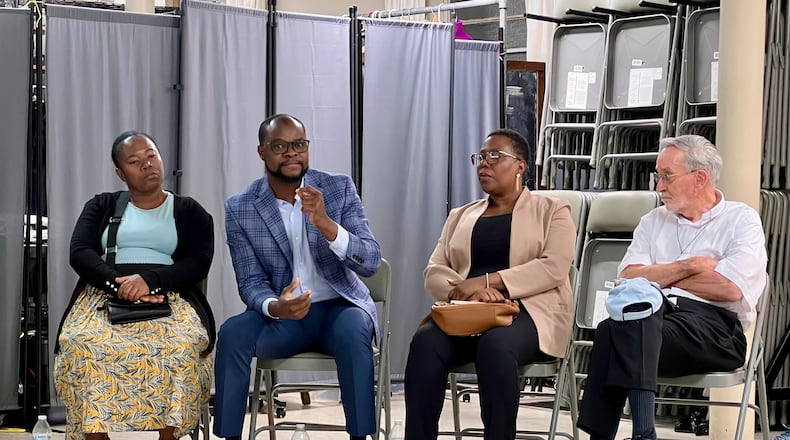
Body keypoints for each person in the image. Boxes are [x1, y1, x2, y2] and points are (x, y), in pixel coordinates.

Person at [577, 134, 768, 440]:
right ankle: (638, 433)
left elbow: (731, 289)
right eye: (658, 176)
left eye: (666, 176)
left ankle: (628, 434)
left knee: (621, 327)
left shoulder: (740, 220)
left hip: (716, 330)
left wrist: (658, 275)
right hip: (658, 322)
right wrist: (690, 266)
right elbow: (628, 278)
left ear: (699, 178)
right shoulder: (653, 221)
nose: (659, 187)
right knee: (616, 325)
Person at [213, 114, 382, 440]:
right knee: (233, 333)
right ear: (262, 152)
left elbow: (371, 261)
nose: (291, 153)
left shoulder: (337, 188)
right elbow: (249, 281)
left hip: (339, 307)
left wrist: (326, 224)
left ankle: (361, 436)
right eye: (280, 146)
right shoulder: (241, 207)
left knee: (353, 334)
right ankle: (229, 436)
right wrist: (277, 307)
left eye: (299, 145)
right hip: (285, 317)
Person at [404, 128, 577, 440]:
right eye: (481, 157)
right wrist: (464, 289)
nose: (484, 163)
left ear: (521, 165)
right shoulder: (460, 215)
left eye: (495, 156)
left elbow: (554, 267)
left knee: (495, 344)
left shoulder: (552, 209)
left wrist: (490, 283)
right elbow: (433, 270)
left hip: (529, 312)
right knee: (425, 343)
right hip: (467, 313)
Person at [54, 131, 216, 440]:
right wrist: (119, 285)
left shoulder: (189, 211)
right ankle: (95, 436)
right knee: (82, 343)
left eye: (151, 155)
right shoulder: (102, 205)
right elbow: (80, 252)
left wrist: (150, 282)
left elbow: (198, 262)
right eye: (134, 161)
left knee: (179, 349)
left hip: (171, 297)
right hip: (103, 295)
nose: (147, 164)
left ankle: (168, 435)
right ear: (120, 173)